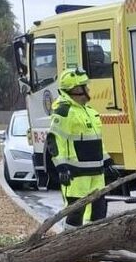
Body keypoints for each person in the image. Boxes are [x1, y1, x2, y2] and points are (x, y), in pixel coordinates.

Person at [50, 67, 118, 226]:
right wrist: (62, 168)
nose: (88, 89)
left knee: (99, 212)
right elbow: (54, 141)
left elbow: (96, 142)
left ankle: (95, 245)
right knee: (75, 214)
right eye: (84, 86)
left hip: (96, 173)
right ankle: (70, 246)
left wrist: (107, 163)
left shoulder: (90, 112)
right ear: (76, 89)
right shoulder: (64, 112)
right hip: (76, 175)